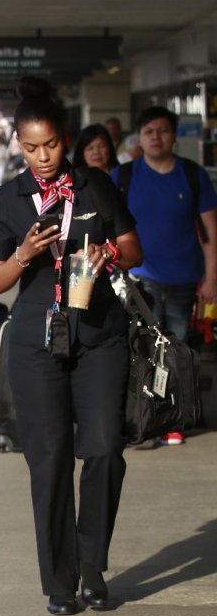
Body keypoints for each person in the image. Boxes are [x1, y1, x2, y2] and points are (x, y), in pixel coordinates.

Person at [0, 78, 143, 616]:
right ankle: (60, 581)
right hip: (36, 342)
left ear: (64, 138)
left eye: (50, 145)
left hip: (98, 335)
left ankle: (92, 565)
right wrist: (24, 253)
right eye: (31, 148)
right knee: (48, 462)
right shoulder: (8, 199)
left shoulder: (96, 186)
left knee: (104, 450)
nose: (43, 157)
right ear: (18, 145)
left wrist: (109, 255)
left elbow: (133, 247)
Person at [111, 106, 217, 446]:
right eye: (149, 131)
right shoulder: (123, 176)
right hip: (140, 280)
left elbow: (210, 231)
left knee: (177, 349)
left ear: (173, 136)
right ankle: (146, 417)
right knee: (144, 350)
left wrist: (212, 277)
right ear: (140, 139)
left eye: (163, 130)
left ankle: (173, 417)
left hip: (185, 278)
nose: (156, 137)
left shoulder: (193, 175)